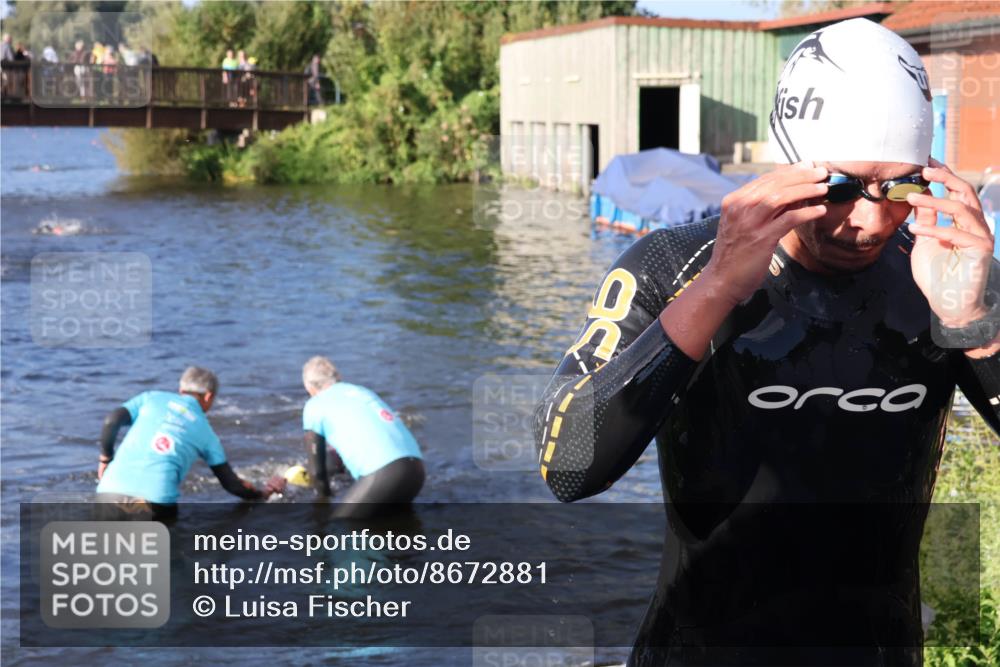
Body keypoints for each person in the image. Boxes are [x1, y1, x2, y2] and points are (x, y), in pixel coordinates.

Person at [534, 18, 999, 666]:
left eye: (899, 186)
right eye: (838, 186)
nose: (865, 219)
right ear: (791, 159)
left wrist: (975, 322)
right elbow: (567, 464)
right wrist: (717, 289)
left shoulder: (947, 274)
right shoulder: (673, 265)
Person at [97, 366, 284, 520]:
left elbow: (111, 421)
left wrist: (106, 458)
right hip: (156, 503)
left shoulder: (150, 398)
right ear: (209, 396)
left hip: (108, 492)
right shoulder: (206, 433)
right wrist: (263, 494)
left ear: (181, 390)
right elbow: (231, 484)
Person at [301, 356, 424, 517]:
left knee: (338, 532)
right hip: (416, 470)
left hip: (384, 475)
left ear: (310, 387)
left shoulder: (314, 405)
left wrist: (321, 508)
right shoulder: (361, 391)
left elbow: (317, 473)